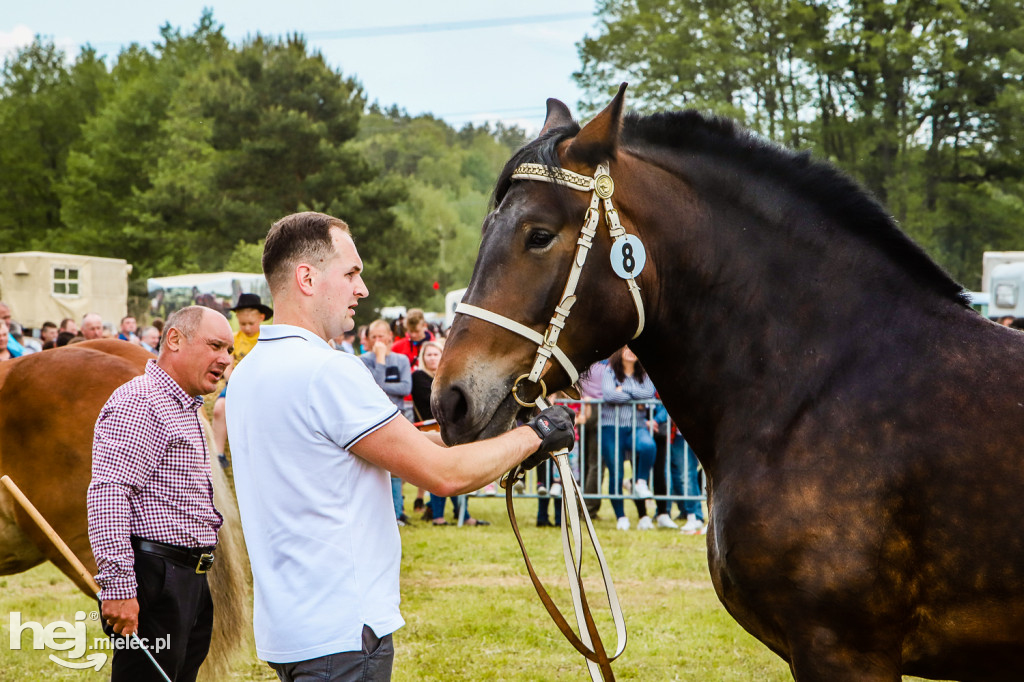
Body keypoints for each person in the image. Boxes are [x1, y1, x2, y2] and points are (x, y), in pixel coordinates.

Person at [226, 211, 574, 681]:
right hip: (345, 633)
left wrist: (504, 438)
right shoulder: (328, 371)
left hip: (290, 632)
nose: (362, 289)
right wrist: (536, 433)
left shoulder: (249, 371)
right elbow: (444, 474)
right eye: (351, 273)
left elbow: (393, 445)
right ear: (306, 278)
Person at [87, 305, 234, 682]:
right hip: (157, 579)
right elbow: (109, 494)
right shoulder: (141, 402)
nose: (225, 359)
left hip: (188, 579)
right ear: (174, 339)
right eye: (216, 345)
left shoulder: (184, 406)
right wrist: (118, 588)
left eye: (229, 350)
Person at [361, 318, 413, 524]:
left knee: (397, 469)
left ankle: (397, 512)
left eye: (381, 336)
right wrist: (380, 360)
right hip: (373, 417)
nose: (377, 340)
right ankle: (382, 513)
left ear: (390, 337)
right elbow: (372, 388)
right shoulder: (364, 360)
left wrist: (381, 382)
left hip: (398, 415)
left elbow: (406, 388)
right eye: (373, 337)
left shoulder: (401, 360)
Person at [212, 293, 273, 467]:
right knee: (219, 408)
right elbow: (228, 368)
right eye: (242, 323)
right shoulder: (234, 339)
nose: (246, 327)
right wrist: (236, 383)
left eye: (250, 324)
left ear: (261, 318)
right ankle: (219, 454)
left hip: (263, 385)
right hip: (236, 384)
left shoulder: (267, 338)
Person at [601, 346, 658, 531]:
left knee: (648, 446)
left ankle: (640, 483)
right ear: (619, 352)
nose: (631, 351)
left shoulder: (644, 373)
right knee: (616, 472)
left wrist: (623, 389)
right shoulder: (609, 370)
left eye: (634, 349)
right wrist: (635, 397)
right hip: (611, 428)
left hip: (637, 426)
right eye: (627, 349)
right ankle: (621, 517)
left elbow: (649, 393)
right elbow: (609, 394)